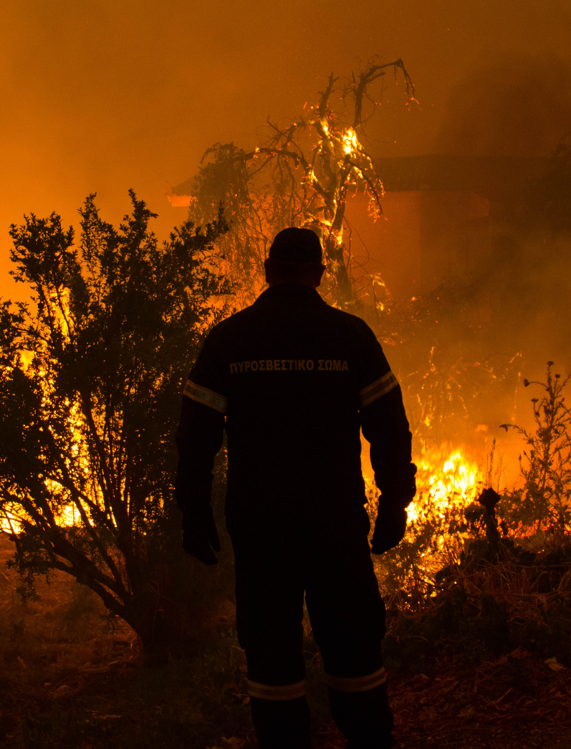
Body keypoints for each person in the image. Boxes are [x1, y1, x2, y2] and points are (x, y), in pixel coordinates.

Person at [175, 227, 416, 749]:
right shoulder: (350, 336)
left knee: (271, 655)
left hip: (262, 529)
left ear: (267, 270)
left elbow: (196, 436)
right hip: (335, 523)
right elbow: (389, 425)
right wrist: (395, 502)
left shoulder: (230, 339)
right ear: (318, 274)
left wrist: (194, 511)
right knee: (353, 645)